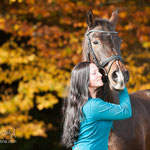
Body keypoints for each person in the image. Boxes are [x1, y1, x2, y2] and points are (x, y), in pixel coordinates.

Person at [61, 61, 132, 150]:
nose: (100, 75)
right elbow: (126, 111)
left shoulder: (80, 104)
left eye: (98, 71)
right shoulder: (94, 106)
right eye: (94, 73)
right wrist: (121, 86)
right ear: (84, 79)